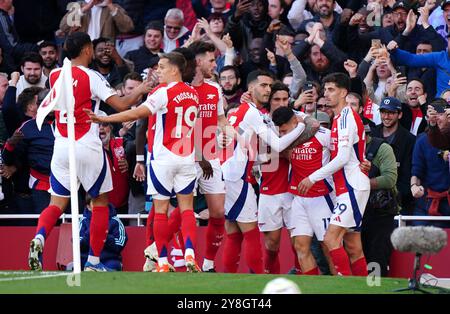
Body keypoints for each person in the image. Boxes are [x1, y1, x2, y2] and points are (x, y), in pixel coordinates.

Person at [28, 32, 152, 272]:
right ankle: (94, 262)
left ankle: (40, 237)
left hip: (62, 145)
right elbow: (121, 105)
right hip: (86, 143)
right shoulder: (91, 76)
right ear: (86, 50)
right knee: (100, 201)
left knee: (56, 203)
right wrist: (142, 89)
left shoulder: (54, 74)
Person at [85, 51, 202, 273]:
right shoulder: (193, 94)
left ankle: (164, 262)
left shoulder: (162, 93)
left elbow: (136, 114)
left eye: (162, 67)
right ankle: (190, 254)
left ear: (175, 70)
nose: (158, 71)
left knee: (160, 211)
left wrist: (104, 118)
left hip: (163, 158)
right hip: (186, 158)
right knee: (187, 210)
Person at [219, 70, 307, 274]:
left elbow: (237, 142)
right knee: (250, 234)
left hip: (231, 174)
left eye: (270, 86)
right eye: (264, 86)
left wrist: (261, 159)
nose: (267, 90)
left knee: (234, 232)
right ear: (250, 89)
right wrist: (300, 128)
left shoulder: (242, 111)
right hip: (237, 177)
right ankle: (259, 280)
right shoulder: (252, 113)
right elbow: (276, 144)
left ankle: (228, 279)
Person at [298, 73, 370, 276]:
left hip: (352, 186)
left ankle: (344, 286)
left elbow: (343, 158)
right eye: (325, 89)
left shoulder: (346, 117)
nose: (326, 94)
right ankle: (362, 289)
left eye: (331, 90)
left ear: (344, 92)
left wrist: (312, 177)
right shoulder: (338, 118)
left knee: (330, 239)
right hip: (346, 186)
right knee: (353, 246)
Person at [272, 106, 334, 276]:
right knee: (300, 245)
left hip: (322, 197)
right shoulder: (285, 139)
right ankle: (311, 286)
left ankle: (340, 285)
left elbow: (342, 157)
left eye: (285, 130)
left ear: (294, 122)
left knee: (329, 246)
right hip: (298, 198)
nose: (283, 135)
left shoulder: (323, 135)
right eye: (281, 132)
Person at [361, 123, 398, 277]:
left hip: (379, 213)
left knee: (376, 258)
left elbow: (390, 179)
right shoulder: (343, 149)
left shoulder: (382, 148)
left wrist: (361, 184)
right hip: (355, 211)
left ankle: (374, 288)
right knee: (356, 253)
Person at [371, 97, 416, 214]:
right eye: (383, 112)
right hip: (369, 198)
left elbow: (407, 175)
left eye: (391, 113)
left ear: (399, 115)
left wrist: (393, 197)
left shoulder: (409, 139)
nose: (386, 117)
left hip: (398, 202)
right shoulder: (371, 134)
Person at [410, 98, 450, 228]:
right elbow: (417, 170)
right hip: (427, 202)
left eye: (438, 114)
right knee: (420, 244)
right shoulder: (422, 140)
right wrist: (414, 186)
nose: (435, 119)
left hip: (448, 202)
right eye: (431, 116)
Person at [79, 196, 128, 271]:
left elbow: (120, 243)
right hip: (85, 259)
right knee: (74, 265)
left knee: (114, 266)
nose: (99, 204)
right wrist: (93, 232)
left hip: (109, 259)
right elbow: (77, 243)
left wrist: (104, 236)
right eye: (95, 203)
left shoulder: (115, 221)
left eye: (101, 202)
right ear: (88, 207)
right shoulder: (83, 221)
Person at [59, 0, 134, 42]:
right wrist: (84, 9)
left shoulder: (113, 7)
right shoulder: (78, 5)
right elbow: (63, 26)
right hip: (81, 53)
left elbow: (128, 28)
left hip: (103, 54)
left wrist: (110, 6)